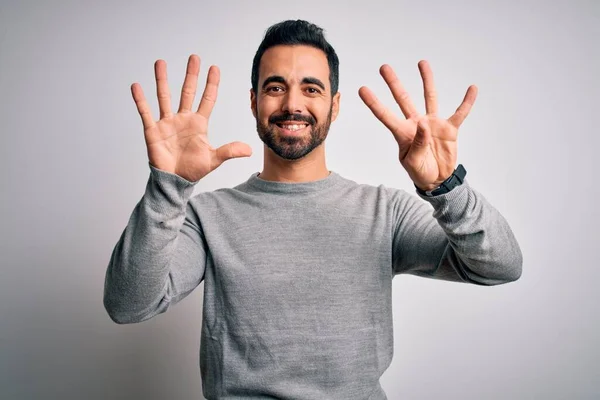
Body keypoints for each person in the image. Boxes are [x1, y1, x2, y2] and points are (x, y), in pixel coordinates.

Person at [104, 19, 522, 400]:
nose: (292, 104)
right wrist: (167, 187)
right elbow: (128, 304)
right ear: (253, 102)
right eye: (274, 87)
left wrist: (445, 187)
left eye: (311, 88)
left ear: (334, 105)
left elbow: (501, 266)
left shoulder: (384, 212)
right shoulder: (207, 215)